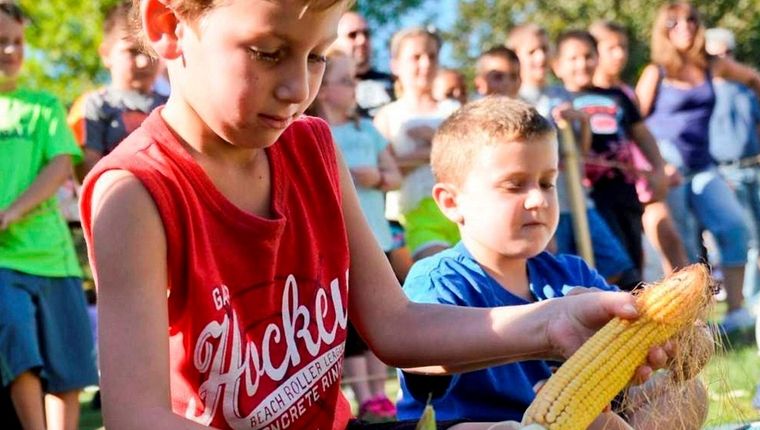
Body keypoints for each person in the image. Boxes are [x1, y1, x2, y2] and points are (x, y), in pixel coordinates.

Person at [81, 1, 672, 428]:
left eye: (317, 56)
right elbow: (136, 415)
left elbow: (394, 326)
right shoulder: (135, 192)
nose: (296, 88)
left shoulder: (312, 148)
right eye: (267, 52)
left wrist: (551, 324)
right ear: (168, 25)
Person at [396, 96, 707, 429]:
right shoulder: (438, 280)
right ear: (452, 202)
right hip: (473, 423)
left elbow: (643, 338)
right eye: (514, 185)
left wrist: (679, 340)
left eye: (548, 183)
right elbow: (421, 362)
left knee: (687, 393)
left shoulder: (570, 273)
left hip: (572, 420)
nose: (538, 199)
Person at [635, 1, 760, 333]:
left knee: (735, 225)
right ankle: (692, 322)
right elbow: (632, 119)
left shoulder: (712, 66)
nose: (686, 27)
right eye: (675, 22)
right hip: (669, 167)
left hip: (704, 167)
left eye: (692, 20)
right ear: (663, 30)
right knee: (684, 245)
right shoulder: (656, 72)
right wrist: (655, 164)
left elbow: (752, 78)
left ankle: (737, 312)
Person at [0, 2, 99, 430]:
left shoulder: (42, 106)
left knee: (67, 364)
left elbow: (61, 164)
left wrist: (9, 213)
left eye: (17, 42)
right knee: (18, 347)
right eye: (1, 41)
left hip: (53, 255)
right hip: (4, 261)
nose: (10, 50)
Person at [507, 23, 640, 290]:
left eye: (544, 50)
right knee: (556, 272)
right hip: (545, 203)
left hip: (578, 198)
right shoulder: (514, 101)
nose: (540, 57)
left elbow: (581, 150)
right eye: (532, 51)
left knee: (615, 265)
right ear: (516, 57)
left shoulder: (559, 94)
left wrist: (581, 121)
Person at [311, 50, 402, 421]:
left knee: (376, 316)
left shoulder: (368, 130)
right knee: (347, 325)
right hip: (335, 243)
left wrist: (377, 179)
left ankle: (380, 391)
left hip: (375, 235)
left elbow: (395, 174)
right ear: (324, 87)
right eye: (346, 81)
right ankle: (363, 393)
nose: (354, 89)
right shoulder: (315, 132)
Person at [551, 30, 668, 277]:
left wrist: (658, 168)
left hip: (625, 190)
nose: (582, 64)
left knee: (631, 257)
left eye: (588, 56)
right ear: (558, 65)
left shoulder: (617, 97)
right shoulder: (557, 102)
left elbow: (641, 133)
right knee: (598, 263)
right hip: (588, 194)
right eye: (573, 58)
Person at [590, 20, 689, 277]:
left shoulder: (623, 94)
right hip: (601, 192)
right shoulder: (580, 95)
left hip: (637, 183)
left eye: (623, 47)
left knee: (667, 240)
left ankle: (685, 309)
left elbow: (638, 135)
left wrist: (658, 168)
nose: (620, 54)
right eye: (611, 48)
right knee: (623, 260)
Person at [374, 27, 461, 261]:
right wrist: (434, 148)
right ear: (396, 64)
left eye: (432, 56)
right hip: (410, 218)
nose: (426, 64)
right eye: (416, 57)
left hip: (461, 212)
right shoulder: (388, 115)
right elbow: (384, 168)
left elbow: (470, 158)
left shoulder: (453, 110)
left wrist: (430, 140)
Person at [705, 27, 760, 308]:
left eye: (727, 53)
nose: (723, 59)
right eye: (716, 54)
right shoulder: (704, 92)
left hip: (756, 169)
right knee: (749, 239)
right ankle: (750, 302)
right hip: (726, 172)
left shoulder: (746, 89)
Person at [71, 0, 166, 181]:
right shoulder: (94, 105)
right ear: (106, 54)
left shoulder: (171, 103)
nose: (144, 62)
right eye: (132, 51)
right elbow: (87, 171)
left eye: (150, 51)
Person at [336, 11, 394, 118]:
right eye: (352, 35)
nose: (362, 40)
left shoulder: (395, 83)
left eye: (366, 34)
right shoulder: (324, 87)